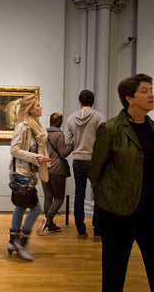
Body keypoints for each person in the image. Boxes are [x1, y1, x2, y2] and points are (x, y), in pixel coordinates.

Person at [90, 74, 154, 291]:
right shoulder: (110, 129)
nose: (151, 95)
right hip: (119, 214)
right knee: (114, 273)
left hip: (153, 212)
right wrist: (108, 203)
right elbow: (96, 171)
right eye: (144, 91)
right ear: (129, 97)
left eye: (150, 90)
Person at [7, 95, 52, 261]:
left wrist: (35, 170)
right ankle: (22, 243)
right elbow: (15, 150)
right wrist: (36, 158)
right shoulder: (23, 127)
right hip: (20, 172)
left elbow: (32, 150)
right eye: (38, 106)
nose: (41, 108)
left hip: (27, 172)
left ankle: (13, 241)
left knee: (20, 207)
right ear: (30, 109)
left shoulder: (35, 126)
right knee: (36, 208)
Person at [65, 90, 105, 241]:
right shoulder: (99, 117)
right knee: (98, 196)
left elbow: (68, 142)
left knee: (79, 195)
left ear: (79, 102)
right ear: (93, 102)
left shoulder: (71, 118)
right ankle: (97, 232)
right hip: (94, 160)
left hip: (77, 159)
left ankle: (81, 231)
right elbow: (103, 138)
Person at [37, 113, 71, 235]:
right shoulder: (60, 135)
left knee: (48, 197)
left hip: (45, 168)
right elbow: (63, 154)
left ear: (50, 122)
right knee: (58, 198)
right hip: (57, 170)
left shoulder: (43, 134)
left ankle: (50, 225)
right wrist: (71, 147)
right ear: (60, 123)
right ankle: (48, 218)